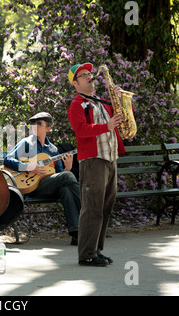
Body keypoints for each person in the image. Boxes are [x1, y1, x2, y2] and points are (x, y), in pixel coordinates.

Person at [67, 63, 126, 267]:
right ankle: (86, 255)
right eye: (83, 75)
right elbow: (81, 130)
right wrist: (106, 126)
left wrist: (120, 100)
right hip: (93, 161)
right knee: (92, 208)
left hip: (110, 158)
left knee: (105, 207)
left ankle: (96, 251)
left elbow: (124, 119)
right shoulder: (77, 105)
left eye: (90, 73)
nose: (89, 77)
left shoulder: (102, 102)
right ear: (75, 83)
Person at [3, 112, 81, 245]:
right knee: (68, 178)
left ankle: (77, 233)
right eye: (33, 123)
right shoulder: (26, 143)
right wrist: (29, 167)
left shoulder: (53, 149)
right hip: (32, 186)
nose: (35, 126)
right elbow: (8, 160)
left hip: (49, 185)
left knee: (66, 189)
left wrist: (67, 168)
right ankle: (88, 223)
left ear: (48, 128)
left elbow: (60, 174)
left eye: (39, 123)